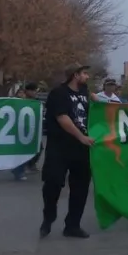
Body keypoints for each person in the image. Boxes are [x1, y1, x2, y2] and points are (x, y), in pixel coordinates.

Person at [40, 65, 96, 239]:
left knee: (80, 187)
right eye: (85, 74)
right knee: (53, 182)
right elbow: (62, 118)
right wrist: (80, 136)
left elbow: (98, 111)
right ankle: (49, 216)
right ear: (75, 75)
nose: (87, 77)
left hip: (82, 149)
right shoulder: (59, 93)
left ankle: (72, 225)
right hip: (60, 146)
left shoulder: (85, 93)